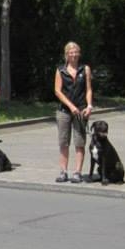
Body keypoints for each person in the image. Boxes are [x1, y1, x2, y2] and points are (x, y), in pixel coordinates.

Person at [53, 41, 93, 183]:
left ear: (79, 53)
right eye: (71, 52)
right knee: (64, 142)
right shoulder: (60, 70)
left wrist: (89, 106)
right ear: (66, 54)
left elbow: (88, 89)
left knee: (79, 142)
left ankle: (77, 172)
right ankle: (63, 172)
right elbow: (57, 91)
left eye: (76, 52)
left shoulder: (85, 69)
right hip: (64, 111)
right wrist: (70, 106)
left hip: (81, 111)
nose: (74, 54)